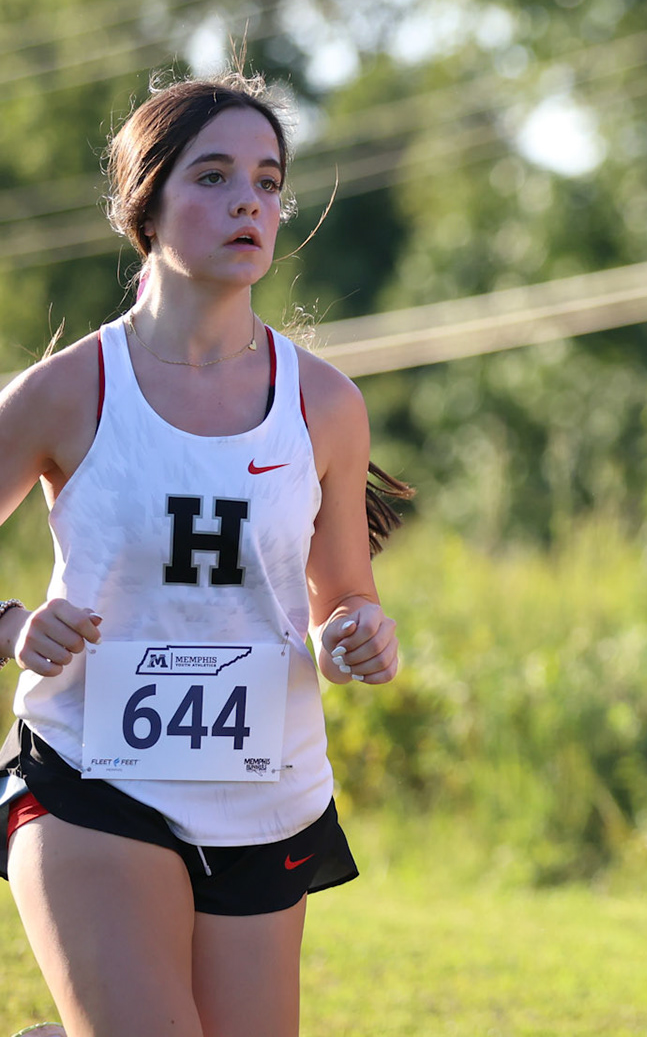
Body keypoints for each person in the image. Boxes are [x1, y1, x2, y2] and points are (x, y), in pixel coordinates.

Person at [0, 72, 405, 1036]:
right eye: (214, 177)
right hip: (93, 776)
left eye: (267, 183)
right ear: (145, 203)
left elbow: (342, 594)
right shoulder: (66, 391)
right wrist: (15, 625)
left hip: (267, 788)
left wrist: (361, 633)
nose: (248, 204)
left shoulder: (325, 403)